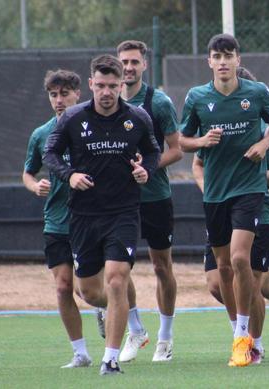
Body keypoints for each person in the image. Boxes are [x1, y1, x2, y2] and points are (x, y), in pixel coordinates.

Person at [44, 54, 160, 375]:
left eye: (113, 86)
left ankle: (110, 358)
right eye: (101, 85)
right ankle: (114, 317)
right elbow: (50, 153)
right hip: (83, 215)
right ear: (91, 83)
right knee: (90, 291)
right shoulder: (72, 118)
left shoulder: (137, 118)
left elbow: (152, 152)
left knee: (116, 280)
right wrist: (69, 175)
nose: (107, 92)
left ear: (122, 85)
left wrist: (145, 170)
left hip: (123, 212)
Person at [179, 34, 269, 367]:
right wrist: (201, 141)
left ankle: (244, 338)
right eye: (217, 56)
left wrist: (264, 145)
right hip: (215, 193)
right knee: (223, 268)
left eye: (229, 55)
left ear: (238, 59)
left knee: (240, 260)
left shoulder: (256, 92)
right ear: (208, 61)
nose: (223, 62)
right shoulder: (197, 97)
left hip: (249, 189)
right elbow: (181, 141)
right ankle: (238, 333)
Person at [116, 40, 183, 363]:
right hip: (119, 201)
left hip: (156, 196)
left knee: (161, 266)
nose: (128, 68)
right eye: (124, 62)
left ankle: (165, 338)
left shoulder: (158, 102)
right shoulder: (107, 102)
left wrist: (148, 167)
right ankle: (136, 330)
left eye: (134, 62)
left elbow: (177, 148)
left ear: (144, 65)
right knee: (119, 267)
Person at [22, 69, 92, 369]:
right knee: (63, 287)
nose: (59, 100)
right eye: (54, 95)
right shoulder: (41, 134)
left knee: (89, 290)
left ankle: (109, 311)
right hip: (57, 220)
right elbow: (27, 172)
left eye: (65, 93)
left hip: (91, 219)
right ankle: (80, 352)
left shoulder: (92, 127)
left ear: (78, 93)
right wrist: (35, 185)